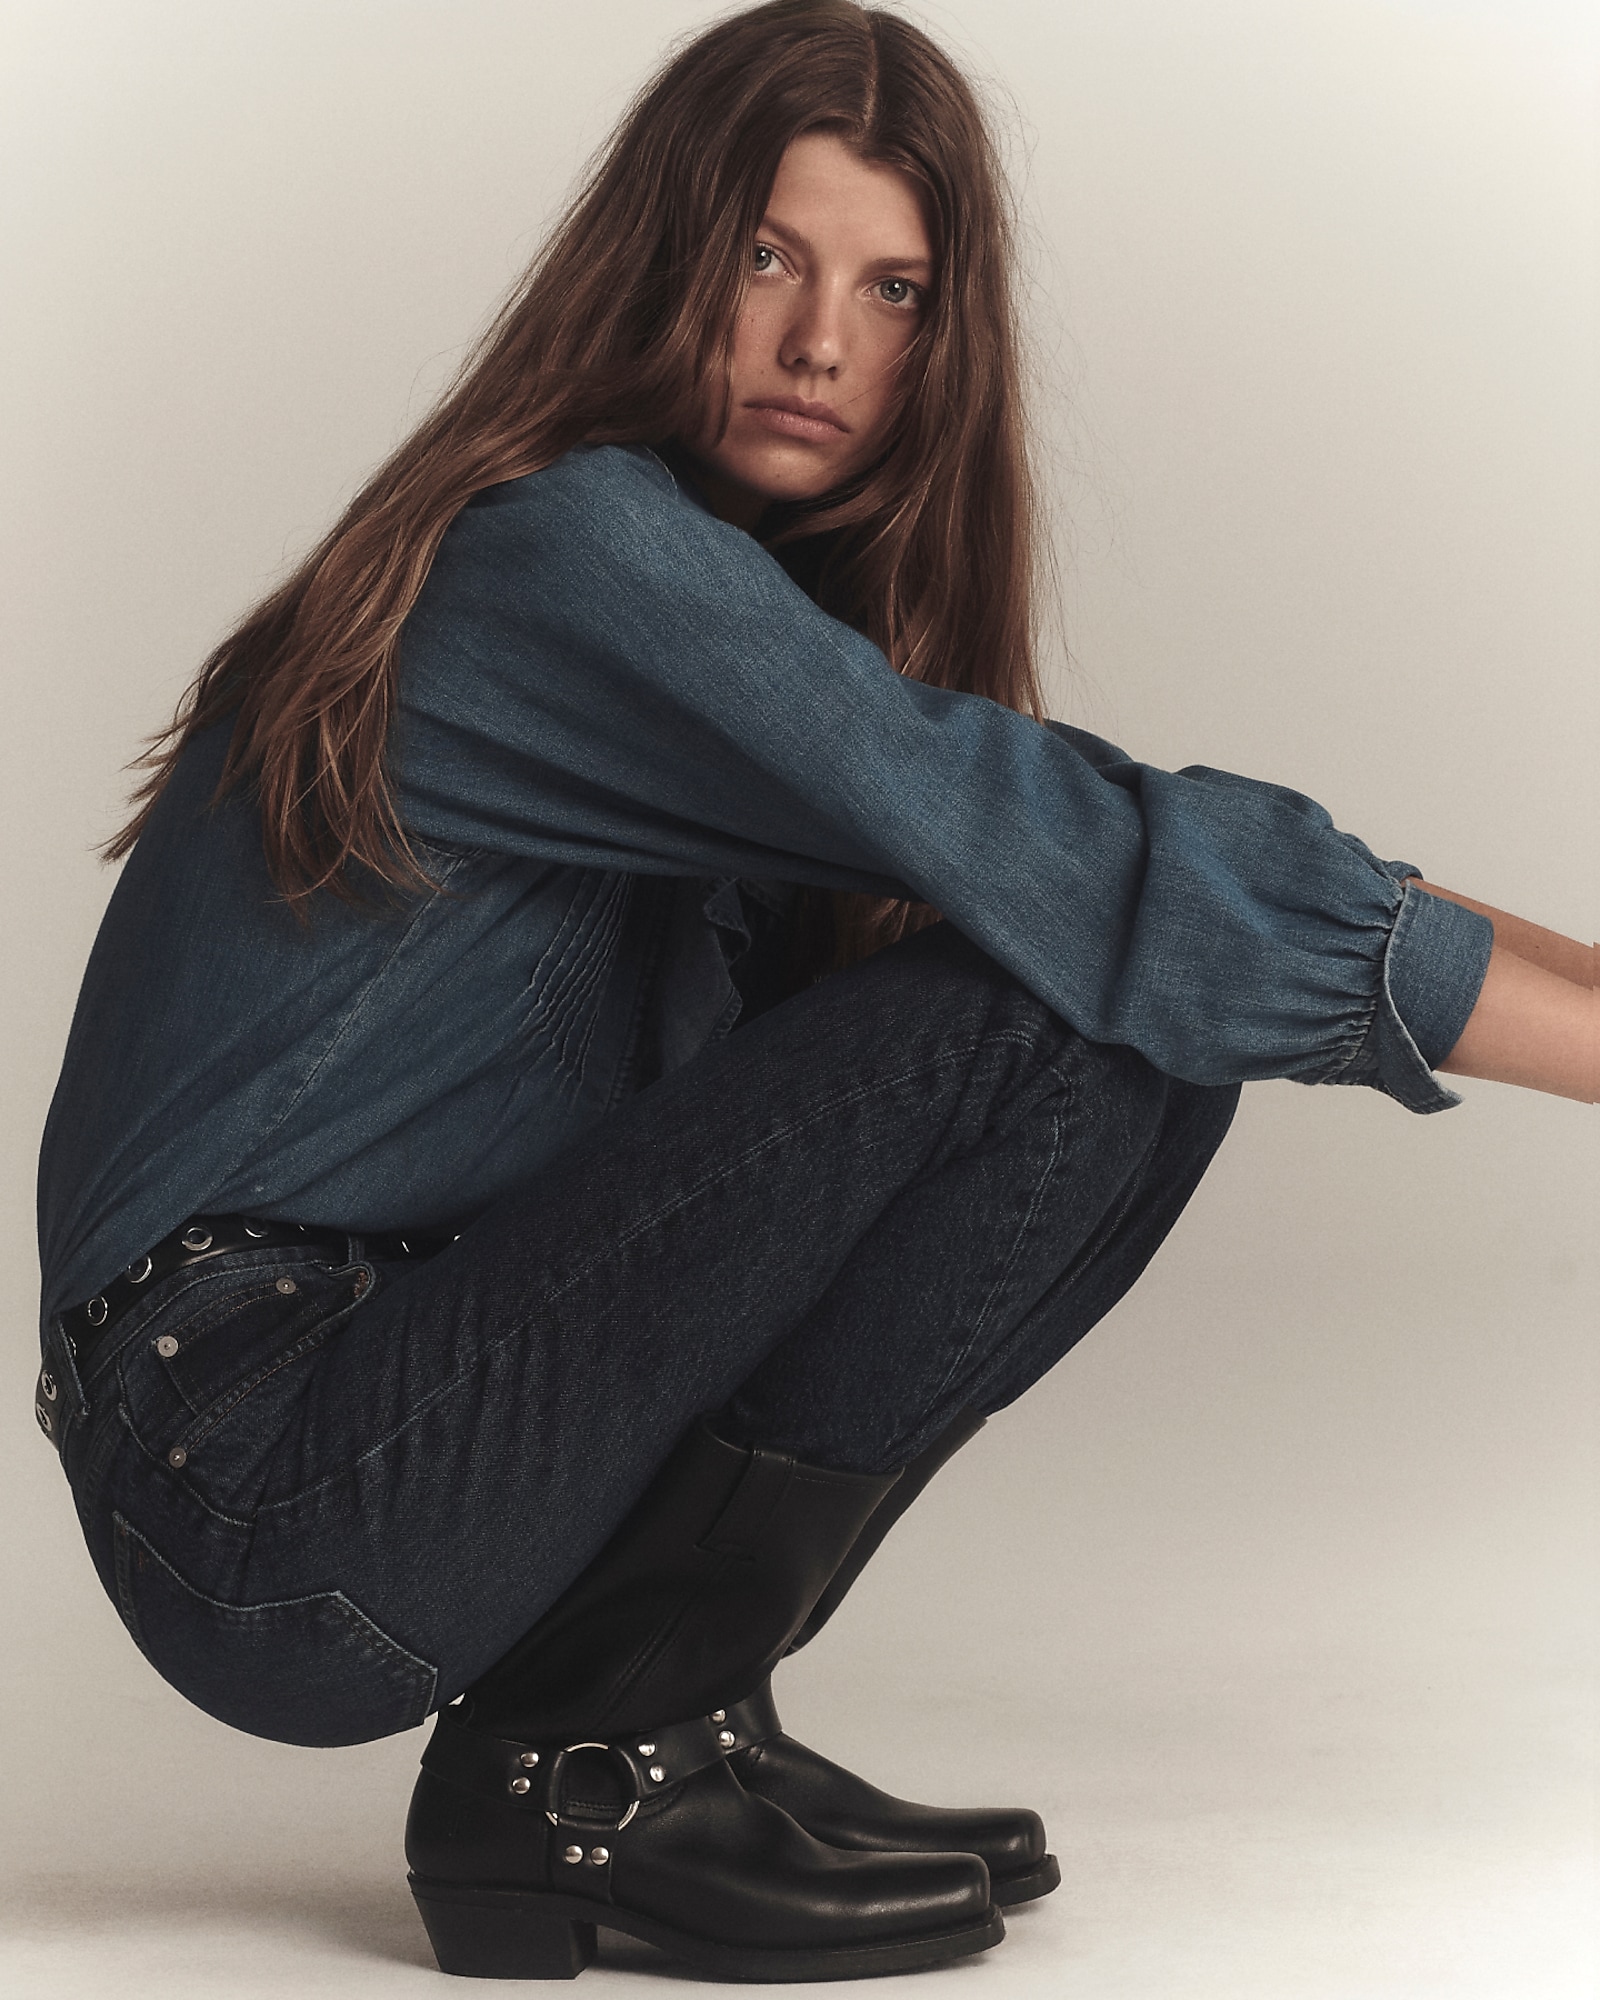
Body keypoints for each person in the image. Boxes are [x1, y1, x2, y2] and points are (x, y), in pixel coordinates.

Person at [32, 0, 1593, 1984]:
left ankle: (656, 1718)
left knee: (1106, 995)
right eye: (766, 256)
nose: (819, 341)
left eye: (892, 287)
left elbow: (1147, 871)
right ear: (663, 255)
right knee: (1069, 990)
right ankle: (582, 1759)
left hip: (374, 1410)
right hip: (257, 1487)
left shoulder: (713, 596)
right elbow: (1121, 874)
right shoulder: (567, 552)